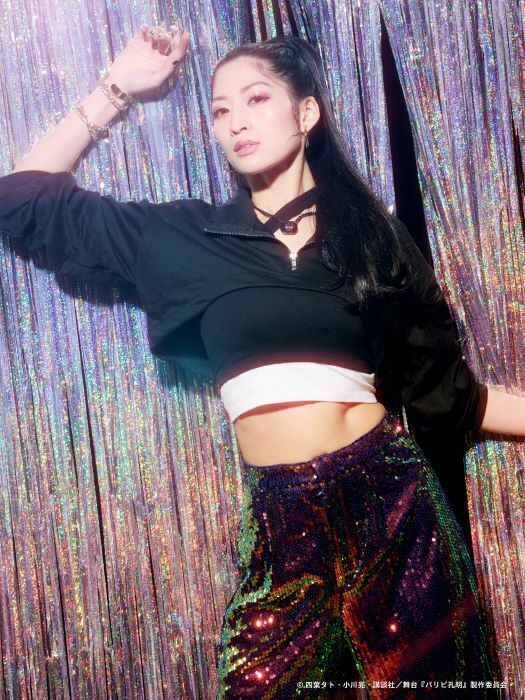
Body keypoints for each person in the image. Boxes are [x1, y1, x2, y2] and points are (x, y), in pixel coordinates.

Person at [0, 23, 522, 700]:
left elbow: (448, 399)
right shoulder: (187, 237)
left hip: (393, 505)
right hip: (283, 522)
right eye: (221, 110)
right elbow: (20, 201)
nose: (236, 122)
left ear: (305, 114)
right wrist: (117, 90)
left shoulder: (373, 240)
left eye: (255, 99)